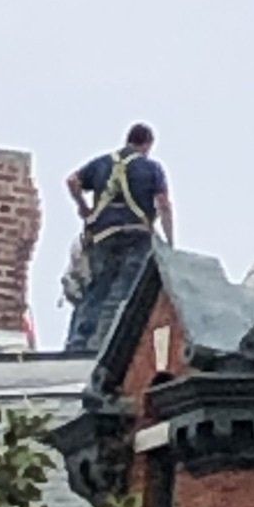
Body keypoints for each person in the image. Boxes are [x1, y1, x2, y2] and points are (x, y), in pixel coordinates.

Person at [64, 123, 174, 353]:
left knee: (97, 290)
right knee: (125, 292)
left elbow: (72, 181)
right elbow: (163, 204)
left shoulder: (102, 163)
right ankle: (108, 344)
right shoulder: (151, 167)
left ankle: (79, 344)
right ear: (147, 144)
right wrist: (170, 242)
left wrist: (83, 208)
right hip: (137, 235)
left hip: (104, 235)